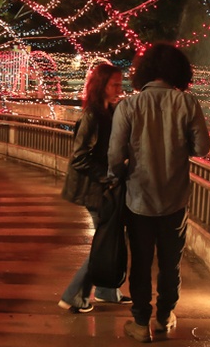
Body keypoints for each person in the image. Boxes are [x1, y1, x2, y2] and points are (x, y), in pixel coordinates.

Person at [107, 43, 210, 343]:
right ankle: (165, 316)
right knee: (171, 262)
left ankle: (141, 322)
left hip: (138, 198)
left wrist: (121, 175)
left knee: (140, 261)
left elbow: (114, 156)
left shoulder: (129, 106)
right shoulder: (187, 103)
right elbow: (202, 147)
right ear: (179, 71)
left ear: (144, 72)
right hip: (175, 199)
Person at [58, 63, 132, 313]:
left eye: (121, 85)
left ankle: (106, 291)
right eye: (115, 85)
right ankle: (73, 295)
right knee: (104, 243)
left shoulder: (110, 110)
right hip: (95, 189)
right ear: (101, 85)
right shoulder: (92, 116)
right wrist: (108, 176)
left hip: (102, 187)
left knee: (110, 238)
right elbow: (79, 157)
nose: (119, 90)